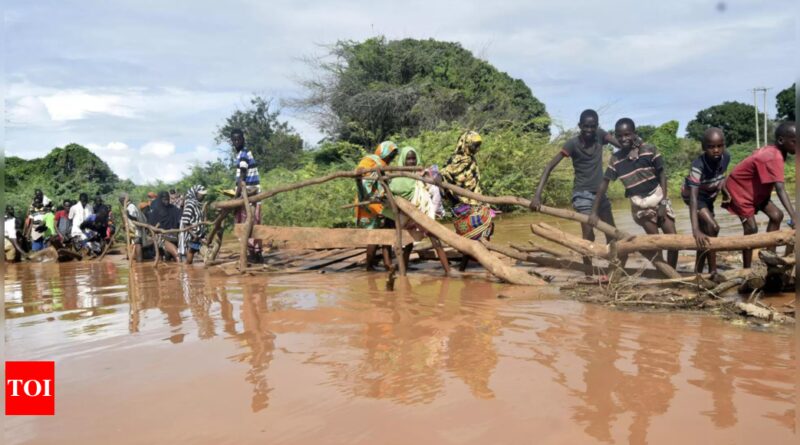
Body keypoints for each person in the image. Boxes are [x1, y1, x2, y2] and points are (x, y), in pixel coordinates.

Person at [530, 109, 630, 274]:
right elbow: (549, 167)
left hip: (600, 195)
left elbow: (620, 144)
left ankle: (613, 270)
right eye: (586, 127)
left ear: (597, 126)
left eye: (592, 126)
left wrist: (634, 145)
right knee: (588, 235)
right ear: (580, 126)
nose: (589, 131)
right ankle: (588, 272)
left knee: (612, 235)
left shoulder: (600, 135)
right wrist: (537, 196)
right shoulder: (572, 144)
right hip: (582, 195)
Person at [589, 118, 678, 269]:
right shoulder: (616, 160)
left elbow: (662, 175)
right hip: (640, 207)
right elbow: (604, 184)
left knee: (673, 241)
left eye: (627, 134)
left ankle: (673, 273)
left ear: (634, 134)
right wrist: (594, 211)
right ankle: (665, 272)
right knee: (655, 244)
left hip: (658, 199)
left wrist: (663, 203)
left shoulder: (649, 150)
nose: (623, 139)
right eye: (619, 135)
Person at [722, 121, 797, 268]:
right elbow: (780, 188)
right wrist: (794, 217)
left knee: (776, 216)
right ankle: (747, 269)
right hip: (739, 191)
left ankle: (769, 258)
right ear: (781, 140)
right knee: (751, 228)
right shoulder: (774, 156)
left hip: (755, 191)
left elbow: (756, 155)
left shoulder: (777, 152)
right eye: (795, 142)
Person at [383, 146, 451, 274]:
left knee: (435, 239)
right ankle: (403, 270)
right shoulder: (397, 176)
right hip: (406, 215)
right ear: (403, 159)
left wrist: (436, 179)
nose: (411, 161)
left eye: (413, 158)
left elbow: (434, 183)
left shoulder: (421, 173)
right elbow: (393, 193)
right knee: (408, 244)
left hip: (421, 214)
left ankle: (448, 270)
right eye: (408, 159)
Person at [441, 130, 493, 271]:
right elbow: (445, 181)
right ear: (465, 144)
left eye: (477, 146)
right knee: (472, 236)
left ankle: (480, 265)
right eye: (473, 145)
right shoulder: (452, 162)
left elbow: (474, 184)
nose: (476, 149)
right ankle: (483, 265)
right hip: (461, 206)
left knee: (485, 230)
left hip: (476, 202)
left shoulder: (471, 160)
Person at [681, 128, 730, 276]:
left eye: (719, 146)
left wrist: (724, 191)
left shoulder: (726, 157)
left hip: (709, 197)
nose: (716, 150)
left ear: (723, 145)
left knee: (706, 234)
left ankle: (698, 272)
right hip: (694, 197)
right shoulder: (698, 166)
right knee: (713, 227)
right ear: (704, 147)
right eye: (711, 146)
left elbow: (721, 177)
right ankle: (713, 271)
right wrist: (695, 229)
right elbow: (694, 198)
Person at [355, 140, 398, 270]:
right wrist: (365, 171)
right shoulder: (370, 160)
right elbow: (360, 173)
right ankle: (369, 266)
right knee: (373, 235)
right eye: (391, 154)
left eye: (393, 156)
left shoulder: (384, 164)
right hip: (369, 202)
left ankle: (387, 263)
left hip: (382, 202)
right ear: (384, 151)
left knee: (386, 232)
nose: (391, 158)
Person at [231, 129, 263, 262]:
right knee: (253, 224)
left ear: (243, 139)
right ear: (232, 141)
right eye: (234, 140)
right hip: (251, 193)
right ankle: (255, 253)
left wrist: (236, 196)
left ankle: (253, 255)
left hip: (249, 194)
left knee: (247, 224)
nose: (237, 142)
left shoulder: (243, 154)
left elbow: (242, 176)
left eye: (239, 139)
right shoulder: (244, 153)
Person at [147, 191, 181, 260]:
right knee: (175, 255)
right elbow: (151, 225)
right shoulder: (155, 211)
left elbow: (180, 219)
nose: (167, 202)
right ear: (160, 200)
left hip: (174, 235)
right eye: (164, 200)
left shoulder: (173, 208)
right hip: (161, 237)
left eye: (168, 199)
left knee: (173, 258)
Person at [179, 185, 208, 264]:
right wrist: (194, 235)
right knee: (189, 258)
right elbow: (185, 222)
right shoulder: (190, 205)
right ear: (195, 193)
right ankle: (187, 273)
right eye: (202, 194)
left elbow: (202, 220)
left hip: (198, 235)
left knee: (201, 253)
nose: (203, 196)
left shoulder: (198, 204)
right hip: (191, 236)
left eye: (204, 194)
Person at [120, 193, 146, 262]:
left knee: (137, 244)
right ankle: (136, 260)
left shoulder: (131, 207)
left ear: (123, 200)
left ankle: (139, 261)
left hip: (136, 229)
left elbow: (135, 219)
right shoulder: (128, 207)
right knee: (134, 245)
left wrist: (129, 216)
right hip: (132, 230)